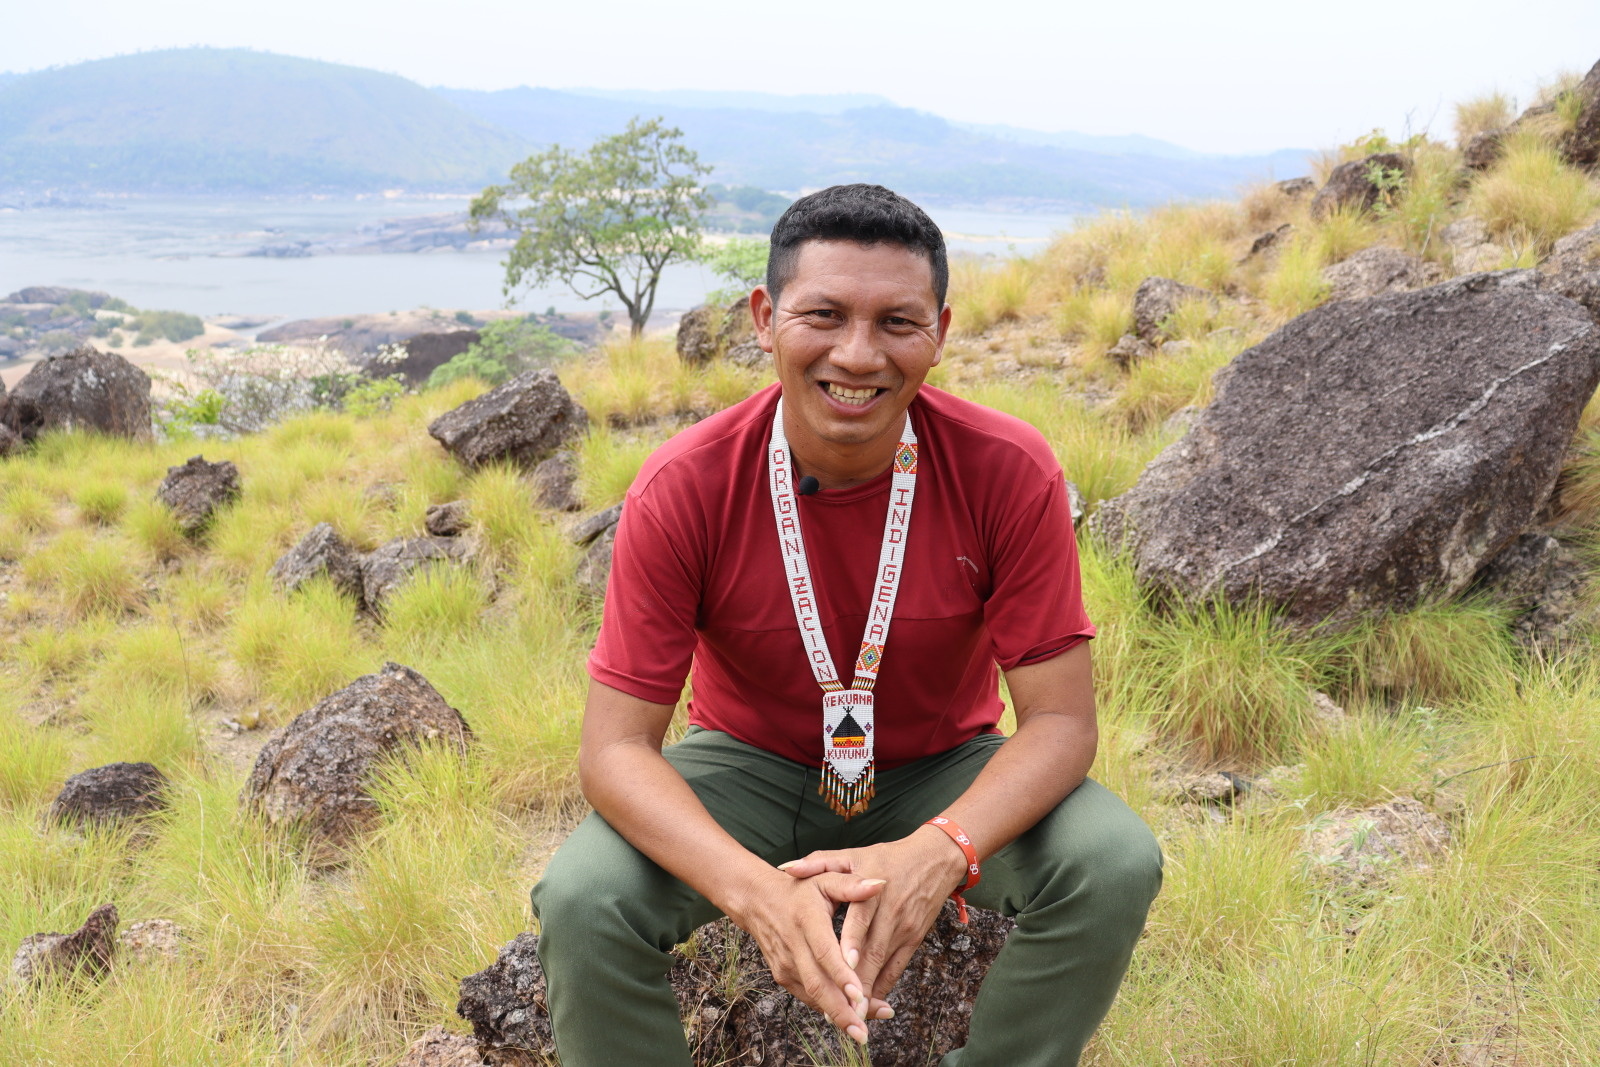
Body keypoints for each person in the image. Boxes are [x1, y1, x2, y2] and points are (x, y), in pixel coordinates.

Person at [530, 183, 1161, 1066]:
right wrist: (755, 894)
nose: (857, 355)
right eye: (823, 313)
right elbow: (615, 750)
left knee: (1111, 859)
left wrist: (945, 848)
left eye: (896, 322)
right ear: (764, 317)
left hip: (939, 765)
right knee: (584, 895)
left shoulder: (1008, 470)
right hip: (744, 766)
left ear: (939, 329)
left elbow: (1060, 723)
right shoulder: (685, 486)